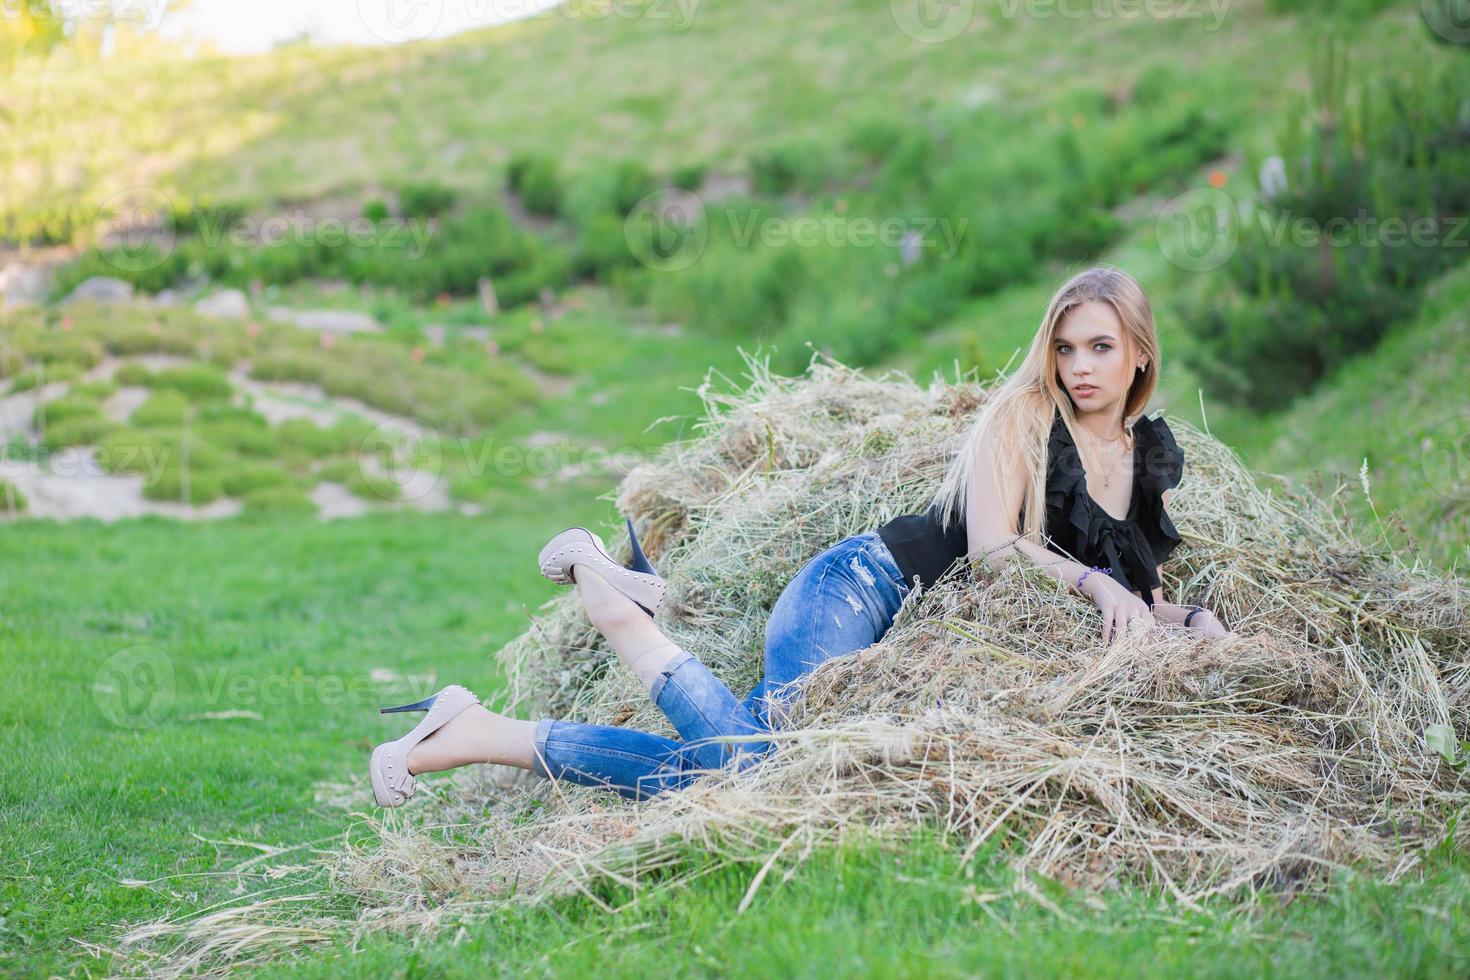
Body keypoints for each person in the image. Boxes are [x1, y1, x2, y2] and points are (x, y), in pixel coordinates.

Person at [368, 265, 1229, 808]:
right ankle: (624, 623)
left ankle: (484, 732)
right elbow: (993, 546)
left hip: (901, 640)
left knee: (720, 774)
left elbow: (1145, 593)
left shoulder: (1143, 457)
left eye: (1101, 348)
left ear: (1140, 356)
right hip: (861, 589)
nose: (1079, 366)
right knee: (770, 764)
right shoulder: (1024, 416)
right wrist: (1091, 585)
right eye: (1067, 346)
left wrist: (1194, 626)